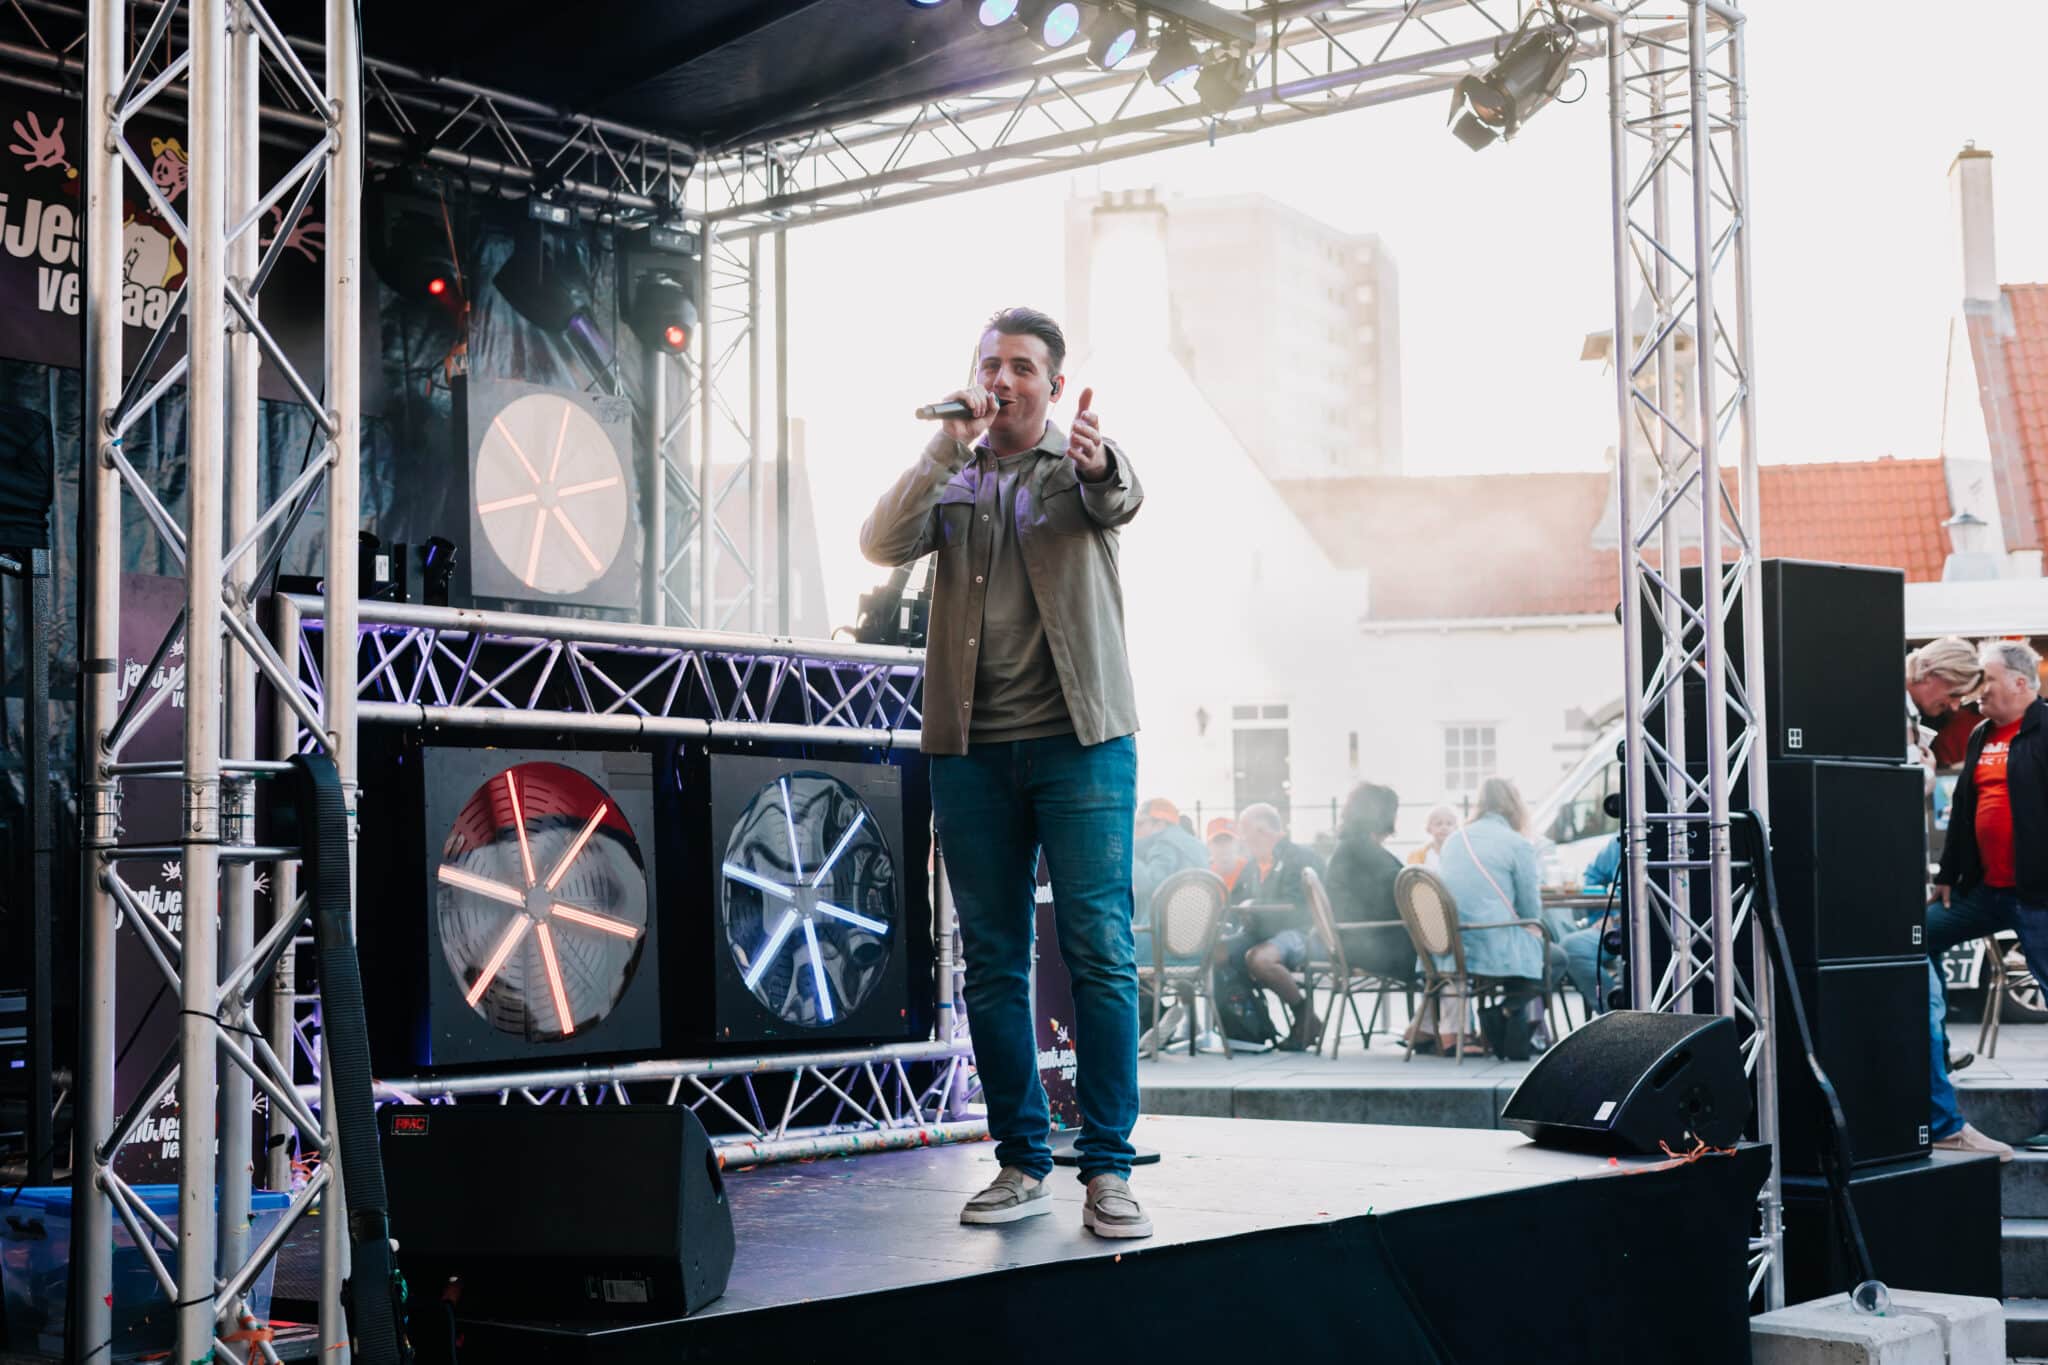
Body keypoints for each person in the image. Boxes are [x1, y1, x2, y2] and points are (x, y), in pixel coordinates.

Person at [860, 305, 1153, 1237]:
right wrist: (943, 448)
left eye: (1024, 366)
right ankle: (1022, 1160)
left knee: (1098, 949)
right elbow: (879, 541)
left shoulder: (1079, 466)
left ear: (1053, 387)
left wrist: (1099, 462)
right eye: (992, 364)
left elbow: (1120, 494)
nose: (1004, 379)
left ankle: (1108, 1168)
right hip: (972, 751)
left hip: (1082, 743)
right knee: (991, 959)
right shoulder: (954, 475)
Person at [1926, 638, 2046, 1159]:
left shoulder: (2043, 730)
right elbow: (1963, 807)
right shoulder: (1981, 734)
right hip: (1984, 892)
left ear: (2020, 683)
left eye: (1988, 681)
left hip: (2037, 897)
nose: (1979, 692)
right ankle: (1938, 1058)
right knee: (1914, 938)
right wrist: (1949, 874)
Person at [1434, 777, 1562, 1059]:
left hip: (1452, 946)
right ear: (1515, 806)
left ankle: (1506, 1027)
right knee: (1558, 957)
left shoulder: (1454, 840)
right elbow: (1530, 910)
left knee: (1531, 950)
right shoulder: (1518, 844)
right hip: (1495, 945)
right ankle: (1509, 1012)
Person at [1225, 802, 1327, 1051]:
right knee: (1217, 953)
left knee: (1259, 959)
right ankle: (1251, 1026)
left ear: (1262, 831)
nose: (1242, 839)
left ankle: (1304, 1016)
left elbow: (1298, 909)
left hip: (1304, 933)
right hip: (1261, 932)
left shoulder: (1301, 858)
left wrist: (1255, 906)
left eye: (1244, 832)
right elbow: (1233, 902)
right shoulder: (1251, 865)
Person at [1324, 782, 1417, 981]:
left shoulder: (1352, 847)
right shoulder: (1363, 851)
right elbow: (1400, 891)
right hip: (1370, 947)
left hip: (1353, 941)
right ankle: (1442, 999)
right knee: (1443, 950)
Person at [1131, 797, 1209, 967]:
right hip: (1198, 948)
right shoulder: (1199, 847)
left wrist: (1128, 855)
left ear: (1160, 824)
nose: (1134, 830)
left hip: (1160, 948)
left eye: (1140, 824)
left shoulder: (1164, 844)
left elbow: (1150, 884)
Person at [1908, 635, 1988, 769]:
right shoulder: (1888, 708)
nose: (1955, 707)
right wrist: (1926, 774)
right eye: (1953, 694)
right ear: (1928, 673)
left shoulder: (1904, 710)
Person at [1406, 803, 1460, 869]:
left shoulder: (1461, 854)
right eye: (1439, 824)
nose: (1444, 827)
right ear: (1429, 828)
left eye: (1449, 824)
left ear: (1456, 828)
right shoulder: (1417, 855)